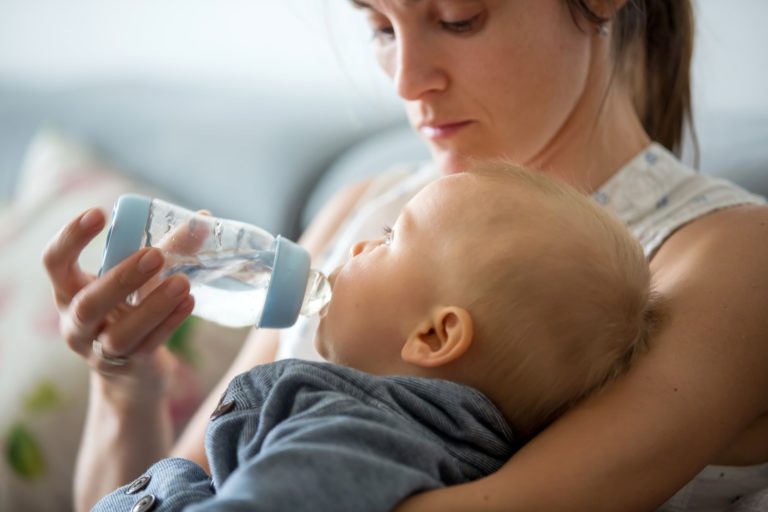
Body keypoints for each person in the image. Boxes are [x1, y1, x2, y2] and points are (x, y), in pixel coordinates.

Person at [43, 1, 768, 510]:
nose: (405, 80)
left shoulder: (726, 257)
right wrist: (125, 379)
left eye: (458, 19)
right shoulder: (360, 212)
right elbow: (165, 489)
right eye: (379, 25)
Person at [91, 166, 655, 511]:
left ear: (434, 335)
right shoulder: (418, 444)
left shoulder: (352, 436)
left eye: (388, 239)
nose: (356, 247)